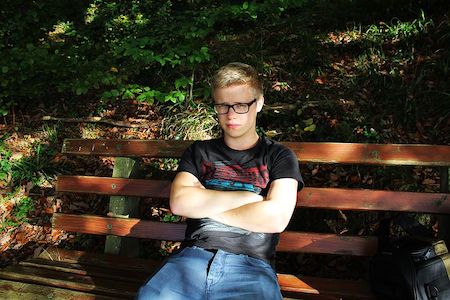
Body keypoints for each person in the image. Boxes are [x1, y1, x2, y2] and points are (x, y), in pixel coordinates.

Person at [136, 62, 304, 300]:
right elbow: (181, 203)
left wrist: (205, 206)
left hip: (252, 266)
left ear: (259, 103)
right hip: (192, 259)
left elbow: (276, 218)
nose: (231, 114)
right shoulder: (199, 152)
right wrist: (249, 199)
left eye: (241, 105)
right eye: (223, 105)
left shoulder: (279, 156)